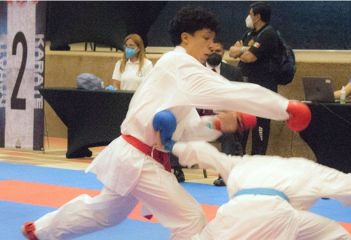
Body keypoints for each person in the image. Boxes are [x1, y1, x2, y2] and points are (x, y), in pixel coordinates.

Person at [22, 6, 311, 240]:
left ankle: (42, 231)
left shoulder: (179, 74)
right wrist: (283, 107)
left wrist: (223, 124)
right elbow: (229, 91)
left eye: (213, 39)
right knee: (190, 218)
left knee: (107, 213)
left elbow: (188, 128)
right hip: (138, 157)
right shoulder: (179, 64)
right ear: (186, 38)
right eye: (206, 38)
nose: (210, 45)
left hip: (135, 156)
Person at [171, 140, 351, 240]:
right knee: (337, 235)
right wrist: (350, 194)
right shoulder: (308, 169)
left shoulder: (244, 161)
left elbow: (204, 152)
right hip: (278, 214)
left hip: (231, 212)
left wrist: (173, 143)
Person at [229, 2, 281, 155]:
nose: (248, 17)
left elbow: (249, 57)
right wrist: (242, 50)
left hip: (263, 90)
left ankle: (257, 164)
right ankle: (240, 161)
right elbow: (232, 52)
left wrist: (242, 50)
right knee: (243, 126)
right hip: (246, 89)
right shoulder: (249, 34)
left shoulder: (268, 34)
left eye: (250, 14)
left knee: (260, 127)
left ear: (257, 16)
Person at [205, 38, 244, 186]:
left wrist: (233, 113)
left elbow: (241, 98)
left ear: (223, 53)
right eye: (211, 51)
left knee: (228, 132)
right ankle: (176, 170)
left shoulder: (234, 72)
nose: (214, 54)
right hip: (199, 118)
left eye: (218, 51)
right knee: (177, 124)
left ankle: (224, 173)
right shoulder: (196, 70)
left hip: (224, 119)